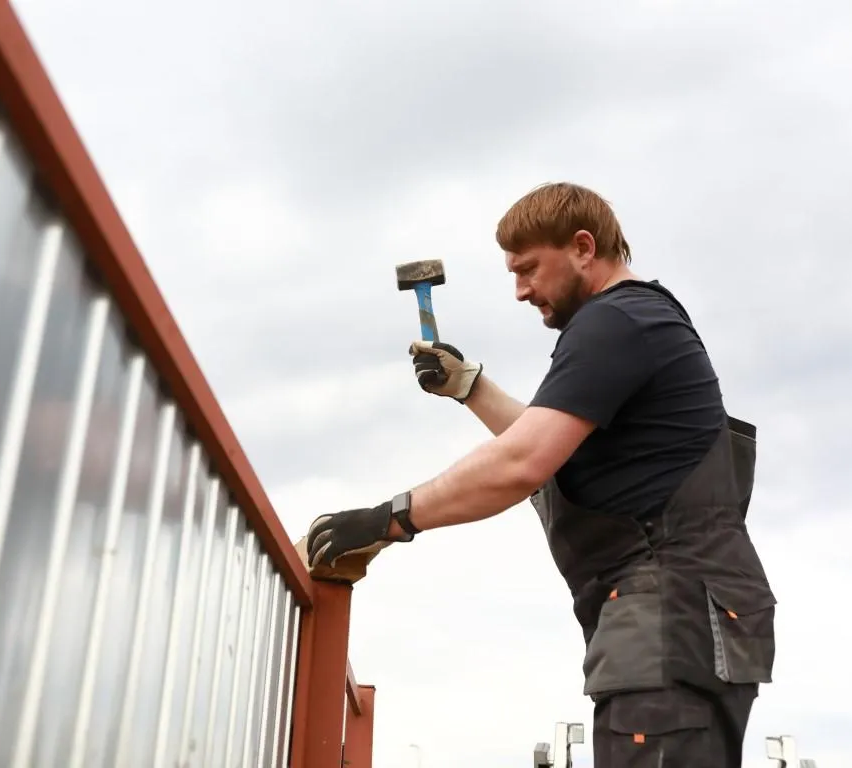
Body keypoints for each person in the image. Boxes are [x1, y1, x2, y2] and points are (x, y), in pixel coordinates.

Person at [305, 182, 777, 767]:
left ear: (583, 247)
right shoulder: (641, 322)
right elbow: (551, 451)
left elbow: (522, 463)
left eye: (528, 269)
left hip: (667, 621)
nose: (521, 290)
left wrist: (388, 519)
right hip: (681, 624)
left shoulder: (618, 322)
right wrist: (468, 386)